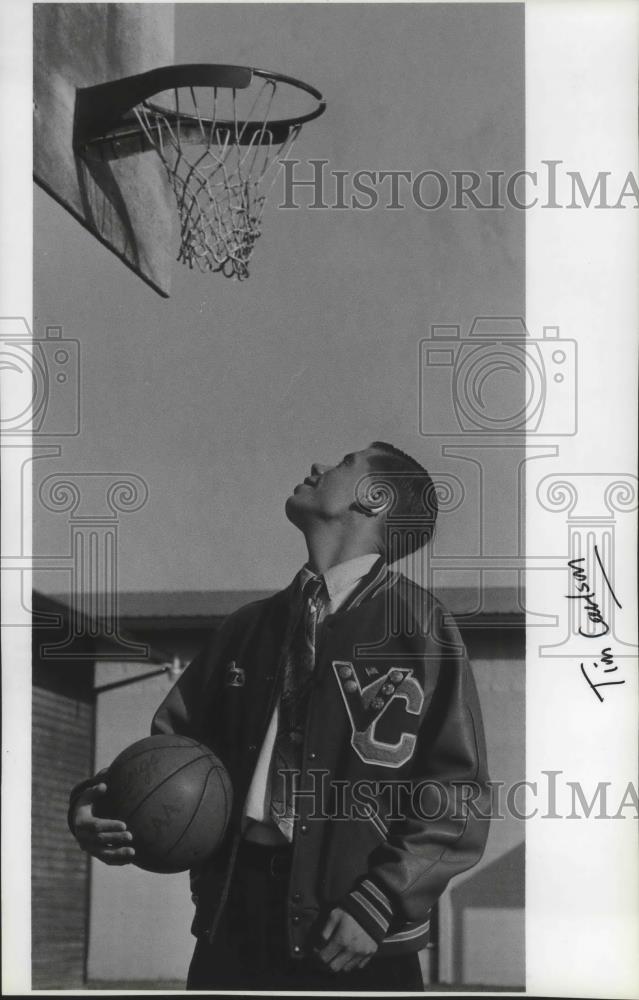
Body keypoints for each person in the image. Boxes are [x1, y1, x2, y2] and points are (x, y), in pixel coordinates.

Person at [69, 441, 490, 991]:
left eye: (343, 463)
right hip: (235, 919)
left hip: (358, 930)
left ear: (375, 499)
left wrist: (382, 899)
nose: (317, 465)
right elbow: (169, 753)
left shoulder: (422, 628)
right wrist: (97, 803)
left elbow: (457, 793)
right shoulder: (246, 628)